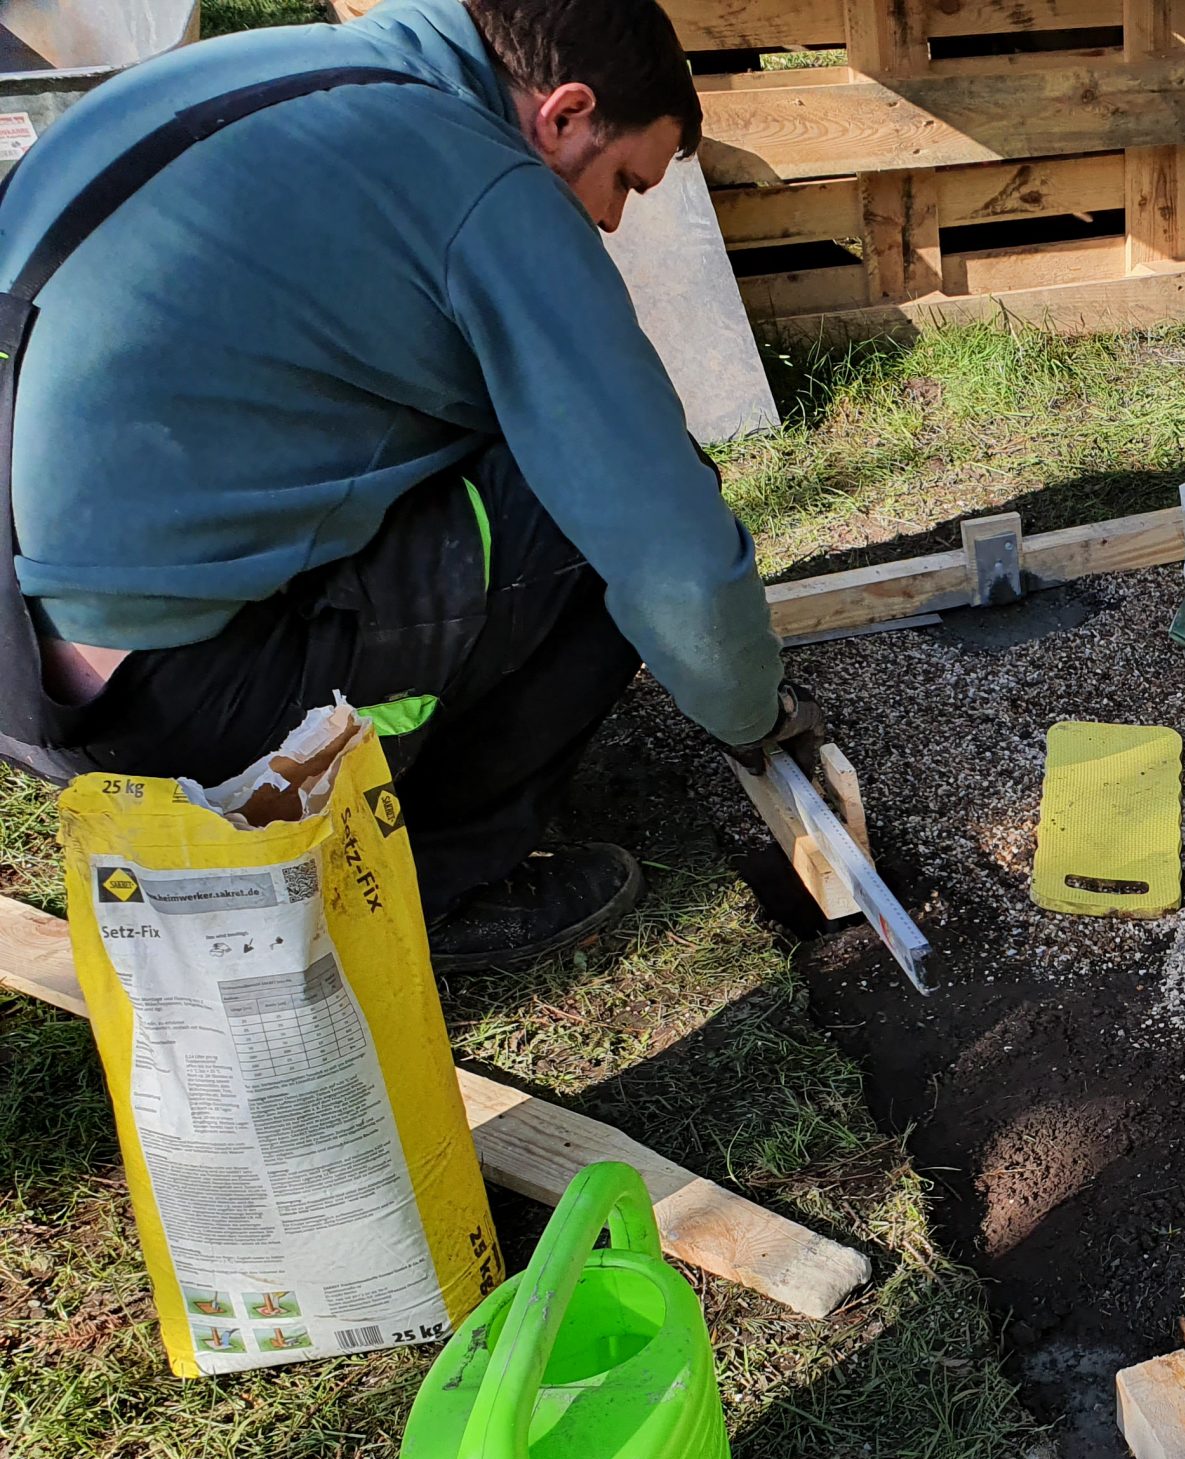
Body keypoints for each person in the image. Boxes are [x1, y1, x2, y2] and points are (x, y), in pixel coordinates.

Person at [0, 0, 822, 972]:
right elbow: (671, 555)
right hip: (166, 711)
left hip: (25, 673)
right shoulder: (484, 180)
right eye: (622, 183)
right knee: (615, 504)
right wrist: (755, 718)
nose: (607, 219)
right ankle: (433, 881)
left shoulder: (268, 78)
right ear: (562, 116)